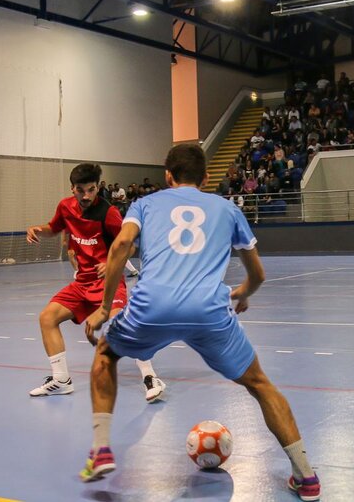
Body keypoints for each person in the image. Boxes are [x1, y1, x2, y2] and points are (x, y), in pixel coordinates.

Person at [79, 145, 321, 501]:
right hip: (209, 311)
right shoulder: (228, 209)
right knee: (259, 384)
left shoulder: (144, 204)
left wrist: (103, 308)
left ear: (167, 176)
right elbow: (258, 274)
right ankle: (307, 477)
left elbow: (119, 248)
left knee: (105, 354)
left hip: (152, 308)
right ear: (206, 178)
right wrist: (241, 293)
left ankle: (100, 450)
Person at [25, 163, 165, 401]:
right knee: (47, 317)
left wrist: (112, 263)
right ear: (73, 189)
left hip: (107, 282)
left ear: (98, 187)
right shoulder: (65, 207)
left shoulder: (108, 213)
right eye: (81, 190)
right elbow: (54, 227)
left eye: (91, 189)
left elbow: (129, 245)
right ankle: (61, 379)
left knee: (123, 324)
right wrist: (37, 229)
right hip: (81, 284)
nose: (87, 196)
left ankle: (150, 377)